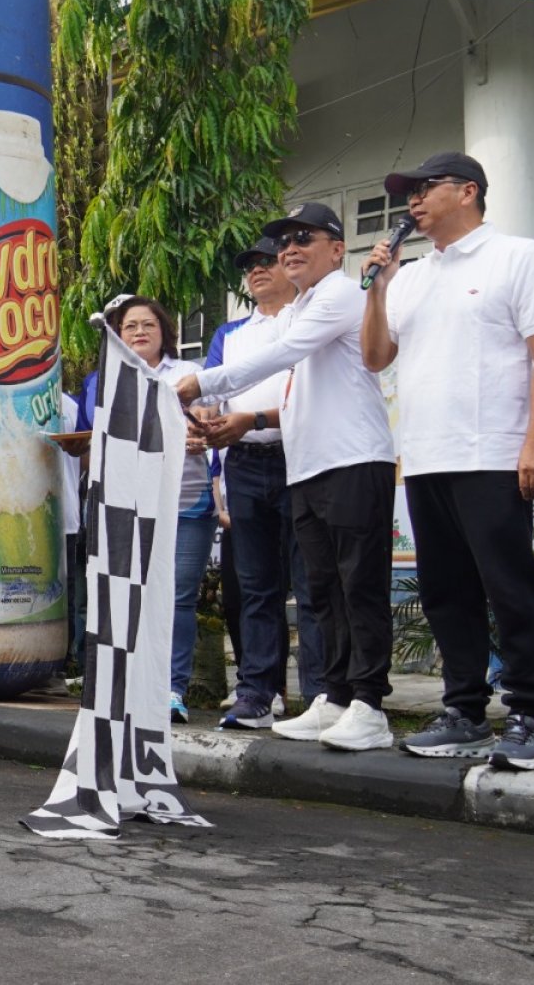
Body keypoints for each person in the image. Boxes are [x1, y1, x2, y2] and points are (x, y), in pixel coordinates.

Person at [361, 151, 534, 771]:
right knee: (446, 593)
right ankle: (465, 712)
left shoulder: (517, 255)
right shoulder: (414, 275)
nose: (413, 202)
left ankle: (531, 716)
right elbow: (375, 357)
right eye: (409, 192)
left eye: (427, 189)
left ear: (469, 191)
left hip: (493, 453)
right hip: (426, 458)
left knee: (510, 587)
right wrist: (379, 285)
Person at [177, 202, 398, 752]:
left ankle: (370, 704)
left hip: (353, 459)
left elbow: (282, 355)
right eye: (283, 242)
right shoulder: (299, 308)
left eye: (305, 237)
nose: (290, 249)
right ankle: (336, 698)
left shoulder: (343, 294)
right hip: (308, 464)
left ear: (338, 249)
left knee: (358, 588)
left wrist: (198, 383)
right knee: (322, 591)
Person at [200, 235, 317, 729]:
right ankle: (256, 693)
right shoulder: (230, 333)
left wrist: (252, 417)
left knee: (312, 582)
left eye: (266, 261)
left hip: (301, 457)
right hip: (245, 462)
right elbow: (209, 391)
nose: (257, 271)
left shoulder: (308, 320)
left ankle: (320, 695)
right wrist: (205, 414)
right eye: (249, 265)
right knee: (254, 586)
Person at [81, 297, 215, 723]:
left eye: (148, 324)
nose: (139, 332)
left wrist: (199, 432)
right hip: (124, 504)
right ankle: (127, 689)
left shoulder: (189, 375)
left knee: (176, 597)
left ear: (165, 331)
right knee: (123, 595)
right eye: (129, 326)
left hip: (185, 504)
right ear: (117, 337)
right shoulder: (103, 380)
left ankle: (172, 689)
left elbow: (207, 420)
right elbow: (96, 431)